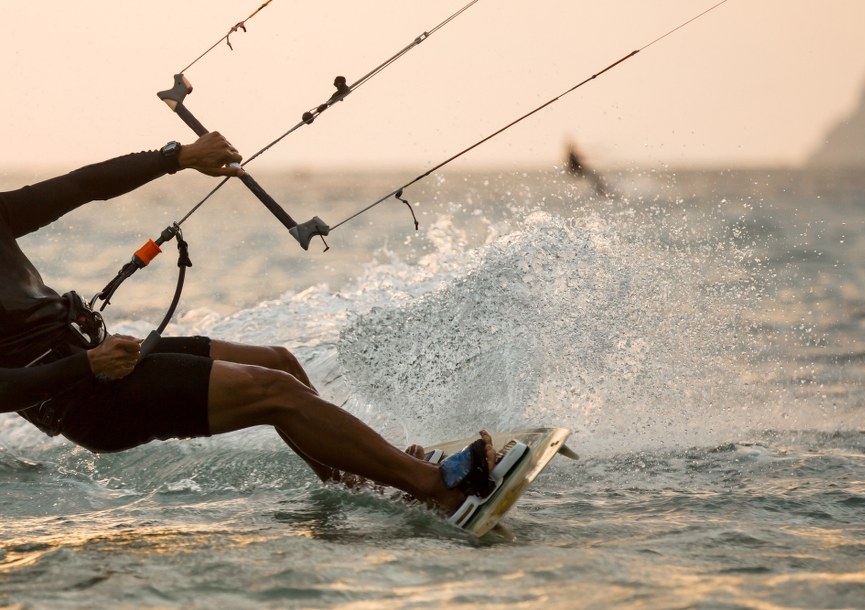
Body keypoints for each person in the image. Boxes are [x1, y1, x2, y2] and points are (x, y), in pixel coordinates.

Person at [0, 132, 498, 518]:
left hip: (98, 360)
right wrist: (88, 364)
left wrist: (177, 157)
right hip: (85, 398)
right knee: (275, 393)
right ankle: (435, 489)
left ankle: (363, 481)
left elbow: (82, 186)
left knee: (279, 361)